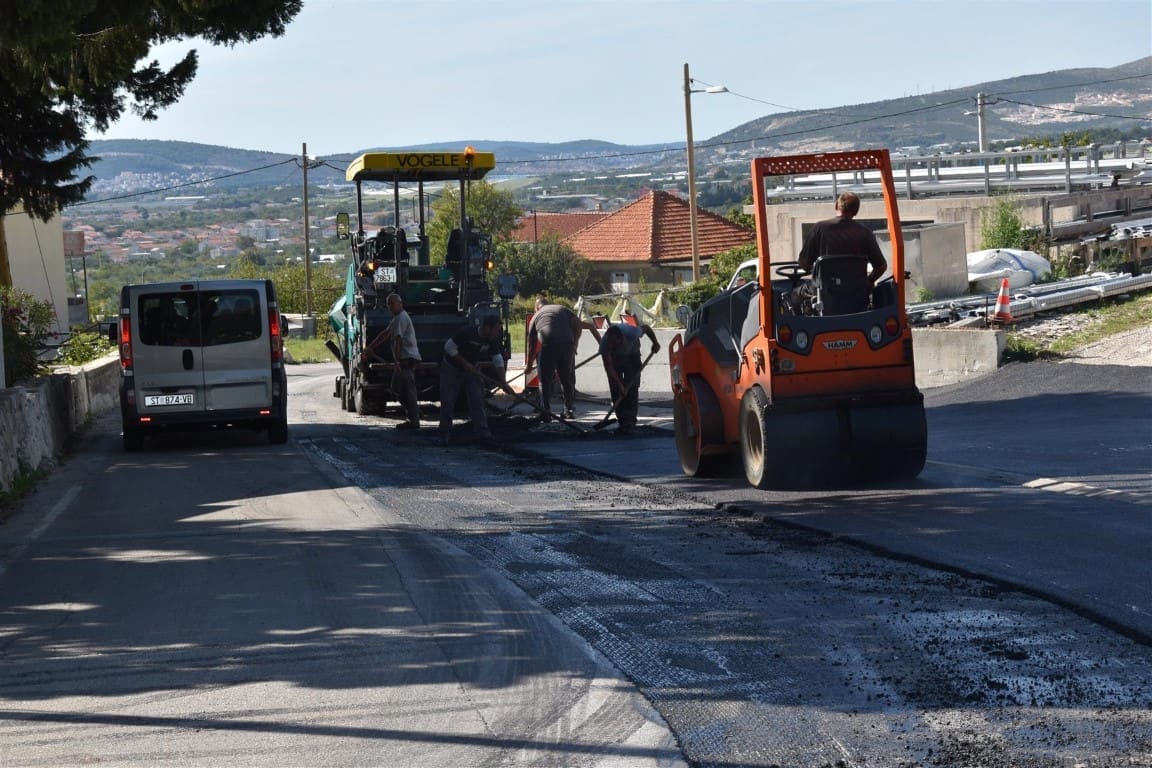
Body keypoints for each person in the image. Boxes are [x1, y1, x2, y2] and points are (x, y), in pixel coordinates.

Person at [525, 295, 600, 422]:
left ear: (536, 308)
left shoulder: (536, 316)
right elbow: (578, 323)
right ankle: (568, 411)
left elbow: (532, 344)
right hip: (567, 345)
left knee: (544, 381)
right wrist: (574, 343)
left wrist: (528, 366)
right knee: (566, 379)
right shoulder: (561, 309)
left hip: (549, 345)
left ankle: (546, 412)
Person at [437, 314, 508, 446]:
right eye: (496, 330)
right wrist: (464, 363)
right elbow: (449, 347)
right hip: (452, 368)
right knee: (448, 401)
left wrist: (503, 382)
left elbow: (498, 360)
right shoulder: (467, 333)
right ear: (487, 328)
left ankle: (482, 432)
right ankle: (444, 432)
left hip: (472, 370)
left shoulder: (492, 339)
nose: (498, 333)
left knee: (477, 399)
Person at [797, 192, 888, 285]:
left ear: (836, 205)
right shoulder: (865, 233)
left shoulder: (818, 228)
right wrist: (868, 282)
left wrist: (817, 272)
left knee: (796, 292)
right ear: (856, 212)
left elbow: (804, 263)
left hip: (823, 290)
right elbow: (881, 267)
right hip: (856, 291)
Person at [366, 293, 422, 429]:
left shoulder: (402, 318)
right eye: (388, 304)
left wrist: (397, 361)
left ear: (400, 304)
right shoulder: (396, 319)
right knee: (397, 389)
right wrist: (370, 347)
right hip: (404, 359)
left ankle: (414, 420)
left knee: (406, 390)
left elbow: (398, 340)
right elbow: (385, 334)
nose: (390, 306)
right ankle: (414, 414)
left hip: (407, 359)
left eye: (392, 303)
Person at [599, 322, 660, 435]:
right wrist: (620, 385)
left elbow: (647, 328)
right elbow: (609, 368)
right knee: (615, 387)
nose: (611, 346)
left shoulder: (631, 332)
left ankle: (630, 421)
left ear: (621, 338)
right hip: (615, 358)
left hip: (632, 355)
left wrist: (655, 342)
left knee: (632, 386)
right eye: (610, 343)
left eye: (614, 343)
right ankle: (622, 421)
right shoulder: (605, 345)